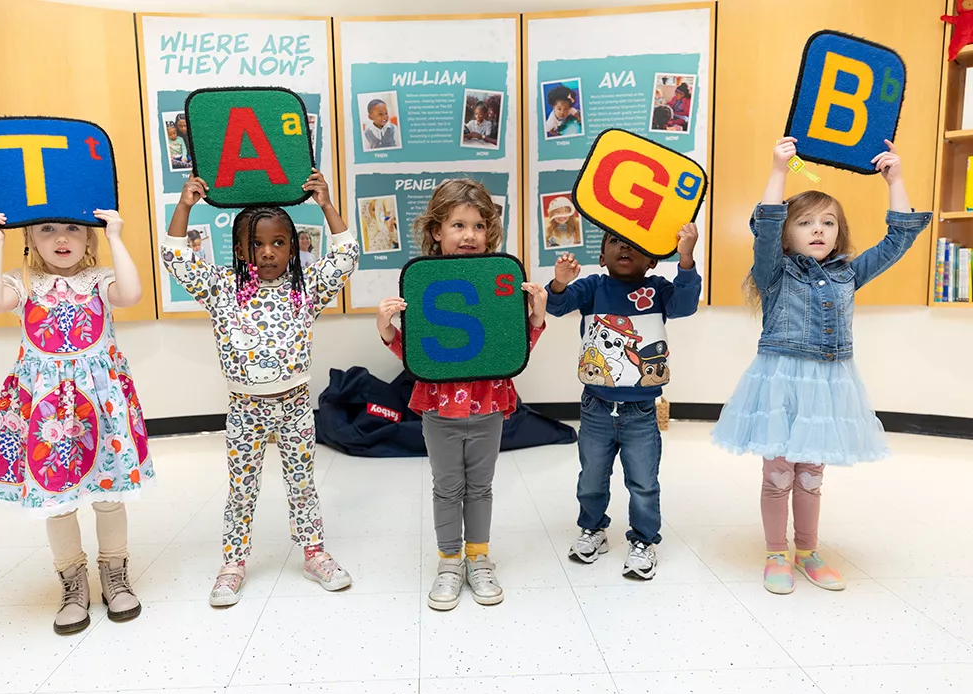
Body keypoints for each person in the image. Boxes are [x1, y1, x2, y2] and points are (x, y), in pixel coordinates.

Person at [712, 136, 931, 594]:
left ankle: (808, 551)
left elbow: (900, 237)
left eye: (828, 223)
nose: (818, 230)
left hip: (827, 386)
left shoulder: (848, 272)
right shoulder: (776, 271)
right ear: (790, 232)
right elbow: (766, 227)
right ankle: (776, 553)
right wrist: (778, 171)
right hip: (780, 382)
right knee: (778, 475)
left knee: (810, 476)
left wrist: (897, 180)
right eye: (806, 222)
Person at [161, 169, 359, 606]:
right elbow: (174, 256)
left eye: (278, 243)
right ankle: (233, 562)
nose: (267, 252)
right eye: (256, 244)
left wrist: (326, 204)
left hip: (294, 407)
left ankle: (314, 553)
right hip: (244, 409)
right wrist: (185, 205)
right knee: (242, 487)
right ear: (239, 248)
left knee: (302, 481)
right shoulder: (222, 288)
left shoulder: (305, 290)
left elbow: (347, 255)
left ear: (294, 246)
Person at [0, 208, 153, 635]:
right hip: (47, 414)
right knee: (57, 500)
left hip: (100, 410)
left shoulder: (100, 279)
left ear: (88, 239)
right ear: (30, 239)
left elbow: (131, 295)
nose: (61, 237)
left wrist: (116, 235)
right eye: (47, 229)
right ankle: (73, 583)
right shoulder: (24, 286)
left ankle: (114, 573)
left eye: (73, 228)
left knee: (110, 495)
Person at [376, 178, 548, 611]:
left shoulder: (498, 281)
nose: (469, 235)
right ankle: (449, 561)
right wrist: (386, 329)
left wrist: (537, 315)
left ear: (488, 231)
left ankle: (479, 558)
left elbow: (512, 347)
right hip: (439, 408)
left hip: (489, 402)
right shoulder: (424, 282)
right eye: (458, 225)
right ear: (437, 231)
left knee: (482, 486)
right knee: (447, 486)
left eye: (477, 225)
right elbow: (420, 352)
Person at [546, 223, 701, 579]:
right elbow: (557, 306)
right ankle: (593, 529)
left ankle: (644, 540)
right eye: (615, 241)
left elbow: (686, 304)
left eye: (634, 244)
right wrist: (559, 282)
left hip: (642, 412)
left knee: (643, 482)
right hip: (596, 407)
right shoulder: (592, 287)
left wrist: (687, 257)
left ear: (650, 260)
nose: (624, 247)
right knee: (592, 478)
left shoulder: (658, 288)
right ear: (602, 258)